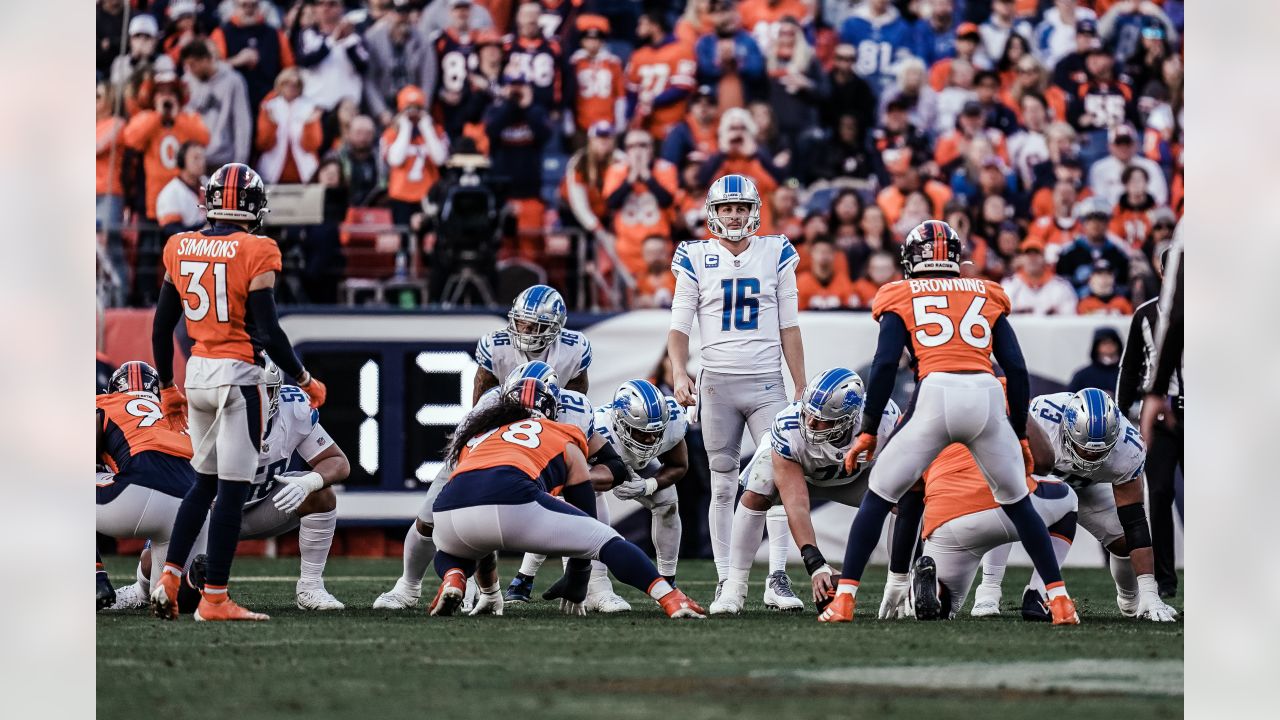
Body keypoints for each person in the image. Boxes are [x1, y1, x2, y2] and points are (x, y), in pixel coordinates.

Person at [820, 220, 1078, 625]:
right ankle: (1060, 602)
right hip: (987, 392)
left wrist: (869, 428)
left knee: (880, 495)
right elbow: (1016, 367)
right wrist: (1021, 434)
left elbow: (886, 363)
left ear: (911, 259)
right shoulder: (985, 290)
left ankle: (846, 600)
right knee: (1018, 502)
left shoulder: (899, 292)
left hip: (937, 391)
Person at [149, 163, 327, 622]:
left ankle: (169, 576)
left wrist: (167, 385)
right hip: (238, 378)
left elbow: (162, 323)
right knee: (230, 491)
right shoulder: (258, 248)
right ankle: (213, 598)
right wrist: (305, 380)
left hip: (197, 372)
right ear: (253, 208)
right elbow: (268, 330)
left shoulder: (177, 244)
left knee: (202, 483)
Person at [424, 375, 705, 619]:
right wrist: (579, 573)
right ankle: (670, 598)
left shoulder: (479, 435)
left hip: (449, 510)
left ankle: (454, 576)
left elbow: (476, 509)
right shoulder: (564, 430)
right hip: (514, 500)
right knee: (606, 540)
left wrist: (490, 592)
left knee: (451, 551)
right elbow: (584, 508)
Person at [374, 361, 619, 612]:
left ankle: (597, 585)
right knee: (428, 521)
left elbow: (614, 467)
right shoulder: (488, 405)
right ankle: (408, 586)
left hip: (532, 469)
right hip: (478, 461)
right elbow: (465, 459)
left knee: (589, 492)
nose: (526, 413)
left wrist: (573, 481)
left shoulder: (573, 411)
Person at [667, 173, 806, 605]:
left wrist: (801, 384)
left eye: (740, 208)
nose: (733, 214)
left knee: (782, 478)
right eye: (727, 208)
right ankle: (728, 579)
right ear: (713, 212)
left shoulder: (776, 251)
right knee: (723, 483)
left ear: (753, 212)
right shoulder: (695, 256)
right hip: (718, 383)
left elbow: (789, 326)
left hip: (766, 381)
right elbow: (679, 325)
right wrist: (678, 372)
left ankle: (777, 577)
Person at [974, 389, 1178, 623]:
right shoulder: (1042, 416)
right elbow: (1007, 472)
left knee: (1124, 539)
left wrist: (1150, 592)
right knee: (1010, 503)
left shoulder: (1128, 447)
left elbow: (1135, 522)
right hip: (1039, 479)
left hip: (1088, 487)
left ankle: (1133, 600)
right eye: (1084, 448)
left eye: (1099, 451)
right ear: (1066, 428)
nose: (1090, 457)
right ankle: (989, 590)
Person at [713, 368, 903, 615]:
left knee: (904, 498)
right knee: (758, 488)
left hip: (854, 480)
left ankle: (902, 584)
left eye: (820, 419)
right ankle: (734, 586)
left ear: (848, 419)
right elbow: (796, 503)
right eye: (807, 413)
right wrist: (816, 563)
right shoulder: (789, 426)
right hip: (802, 477)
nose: (809, 423)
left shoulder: (884, 419)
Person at [913, 427, 1079, 620]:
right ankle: (1040, 594)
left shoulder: (918, 417)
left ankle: (936, 590)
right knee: (1068, 499)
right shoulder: (998, 400)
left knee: (946, 605)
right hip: (1002, 506)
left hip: (946, 522)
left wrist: (896, 577)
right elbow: (1044, 462)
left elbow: (903, 507)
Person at [232, 361, 350, 610]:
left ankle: (311, 587)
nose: (261, 400)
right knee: (158, 577)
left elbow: (337, 461)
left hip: (263, 505)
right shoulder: (208, 414)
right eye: (251, 391)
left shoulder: (292, 408)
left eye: (267, 391)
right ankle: (143, 587)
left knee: (321, 495)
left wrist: (310, 481)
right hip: (208, 514)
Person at [97, 362, 205, 611]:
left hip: (136, 494)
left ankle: (96, 580)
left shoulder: (104, 403)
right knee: (166, 594)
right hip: (193, 506)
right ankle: (193, 580)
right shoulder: (180, 415)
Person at [1116, 246, 1182, 597]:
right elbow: (1129, 368)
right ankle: (1165, 580)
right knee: (1157, 493)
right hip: (1160, 413)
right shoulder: (1145, 314)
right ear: (1162, 273)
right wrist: (1119, 411)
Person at [593, 380, 689, 586]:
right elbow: (576, 480)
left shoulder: (672, 420)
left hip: (636, 465)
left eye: (657, 432)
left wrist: (649, 485)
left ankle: (667, 580)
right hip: (599, 465)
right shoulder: (596, 428)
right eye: (642, 432)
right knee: (581, 505)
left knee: (668, 500)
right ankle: (525, 577)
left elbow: (679, 466)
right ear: (620, 422)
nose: (651, 439)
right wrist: (612, 480)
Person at [473, 285, 591, 401]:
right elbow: (482, 409)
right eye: (521, 322)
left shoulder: (575, 350)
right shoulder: (495, 349)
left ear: (556, 327)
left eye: (535, 325)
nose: (525, 331)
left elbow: (573, 408)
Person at [602, 129, 679, 279]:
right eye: (632, 146)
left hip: (658, 250)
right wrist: (630, 179)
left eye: (643, 145)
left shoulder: (666, 168)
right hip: (626, 249)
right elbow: (611, 203)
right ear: (626, 151)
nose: (637, 151)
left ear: (651, 148)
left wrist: (647, 177)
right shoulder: (616, 170)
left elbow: (667, 201)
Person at [381, 85, 449, 229]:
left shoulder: (436, 131)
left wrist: (426, 129)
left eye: (417, 108)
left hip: (429, 195)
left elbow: (440, 159)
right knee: (403, 239)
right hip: (401, 196)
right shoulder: (390, 134)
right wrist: (404, 128)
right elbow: (395, 160)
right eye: (408, 109)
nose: (413, 114)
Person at [210, 0, 296, 113]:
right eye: (244, 5)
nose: (249, 10)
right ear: (235, 7)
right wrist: (237, 60)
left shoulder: (275, 34)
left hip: (270, 102)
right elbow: (212, 69)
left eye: (253, 5)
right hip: (234, 102)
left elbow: (290, 68)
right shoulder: (221, 33)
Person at [181, 39, 252, 168]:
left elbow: (242, 124)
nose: (190, 70)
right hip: (193, 161)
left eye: (193, 64)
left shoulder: (233, 81)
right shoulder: (186, 82)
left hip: (222, 159)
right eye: (187, 65)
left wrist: (239, 163)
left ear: (206, 60)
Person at [626, 12, 697, 142]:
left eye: (643, 24)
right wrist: (629, 116)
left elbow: (682, 88)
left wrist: (653, 101)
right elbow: (632, 92)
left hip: (671, 122)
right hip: (643, 125)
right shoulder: (638, 55)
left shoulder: (681, 50)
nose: (638, 28)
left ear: (655, 26)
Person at [295, 0, 370, 112]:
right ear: (314, 8)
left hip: (347, 107)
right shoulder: (307, 34)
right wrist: (332, 40)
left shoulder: (355, 36)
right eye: (320, 3)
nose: (326, 8)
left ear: (342, 8)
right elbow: (306, 61)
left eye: (332, 4)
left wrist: (347, 41)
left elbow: (363, 66)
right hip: (315, 105)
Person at [255, 68, 325, 184]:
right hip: (272, 174)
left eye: (296, 85)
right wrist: (272, 123)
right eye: (286, 83)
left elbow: (312, 145)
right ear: (279, 85)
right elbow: (263, 143)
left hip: (304, 174)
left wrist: (309, 123)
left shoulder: (309, 108)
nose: (291, 87)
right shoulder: (269, 107)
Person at [695, 1, 766, 113]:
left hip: (745, 104)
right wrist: (720, 63)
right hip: (714, 106)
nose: (723, 17)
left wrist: (736, 61)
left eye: (725, 11)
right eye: (717, 12)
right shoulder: (705, 42)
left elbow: (757, 71)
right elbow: (702, 71)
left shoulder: (748, 40)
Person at [565, 16, 625, 140]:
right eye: (588, 39)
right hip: (581, 123)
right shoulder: (574, 63)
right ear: (582, 41)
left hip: (608, 123)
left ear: (602, 42)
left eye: (597, 39)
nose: (592, 43)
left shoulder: (613, 63)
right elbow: (569, 95)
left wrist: (620, 121)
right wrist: (568, 121)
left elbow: (620, 94)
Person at [838, 0, 916, 96]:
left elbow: (904, 59)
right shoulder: (852, 24)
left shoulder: (901, 27)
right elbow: (844, 56)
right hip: (857, 85)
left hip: (889, 86)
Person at [1056, 197, 1131, 293]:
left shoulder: (1118, 255)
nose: (1095, 224)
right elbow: (1062, 287)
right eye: (1090, 219)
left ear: (1108, 222)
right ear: (1083, 222)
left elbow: (1124, 288)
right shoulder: (1068, 254)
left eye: (1100, 219)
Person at [502, 2, 563, 112]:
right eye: (526, 15)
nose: (530, 20)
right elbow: (494, 74)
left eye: (534, 15)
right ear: (518, 19)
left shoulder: (554, 46)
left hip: (542, 104)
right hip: (510, 101)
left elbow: (565, 77)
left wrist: (558, 106)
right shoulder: (507, 45)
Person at [1088, 124, 1168, 207]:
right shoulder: (1099, 169)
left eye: (1127, 142)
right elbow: (1099, 199)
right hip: (1112, 216)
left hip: (1145, 213)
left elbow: (1160, 197)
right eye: (1118, 143)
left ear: (1136, 144)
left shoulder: (1150, 166)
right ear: (1109, 146)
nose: (1124, 147)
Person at [1002, 237, 1079, 315]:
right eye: (1028, 254)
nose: (1032, 259)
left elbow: (1069, 319)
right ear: (1021, 258)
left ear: (1044, 258)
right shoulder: (1009, 286)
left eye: (1036, 254)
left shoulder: (1062, 287)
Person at [327, 114, 386, 206]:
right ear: (348, 133)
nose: (363, 138)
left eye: (368, 133)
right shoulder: (335, 157)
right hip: (342, 208)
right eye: (358, 133)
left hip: (375, 210)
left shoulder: (382, 159)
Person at [155, 142, 207, 237]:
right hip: (185, 247)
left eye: (202, 158)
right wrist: (203, 231)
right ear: (182, 160)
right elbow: (173, 231)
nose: (201, 163)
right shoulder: (171, 192)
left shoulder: (210, 183)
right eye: (195, 158)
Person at [660, 84, 720, 166]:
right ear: (691, 107)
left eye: (710, 102)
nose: (703, 106)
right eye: (698, 101)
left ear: (716, 108)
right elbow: (669, 163)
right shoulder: (680, 131)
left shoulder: (723, 129)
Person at [796, 237, 857, 310]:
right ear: (811, 253)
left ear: (834, 254)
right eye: (819, 251)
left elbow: (851, 311)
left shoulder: (843, 281)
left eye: (827, 251)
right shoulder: (802, 281)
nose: (823, 255)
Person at [1068, 327, 1124, 395]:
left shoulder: (1127, 374)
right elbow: (1070, 399)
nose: (1109, 346)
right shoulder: (1082, 376)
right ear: (1096, 346)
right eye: (1104, 343)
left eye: (1112, 342)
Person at [632, 235, 677, 308]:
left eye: (660, 252)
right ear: (643, 254)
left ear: (668, 253)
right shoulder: (637, 279)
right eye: (650, 253)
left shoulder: (681, 276)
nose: (655, 256)